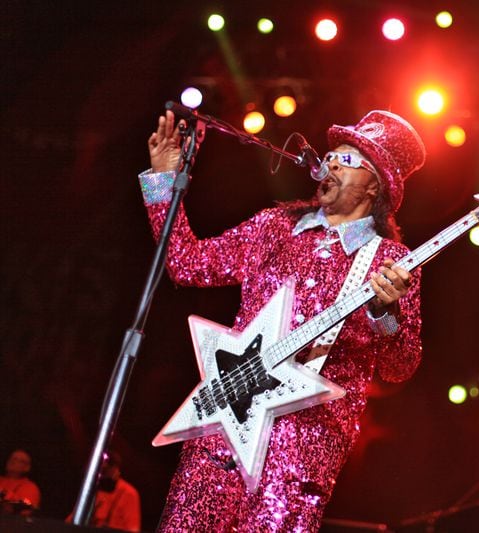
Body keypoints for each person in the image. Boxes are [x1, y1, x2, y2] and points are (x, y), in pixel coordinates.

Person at [139, 108, 425, 531]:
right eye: (330, 156)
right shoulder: (275, 228)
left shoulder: (388, 261)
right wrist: (164, 184)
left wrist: (384, 312)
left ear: (375, 183)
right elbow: (186, 263)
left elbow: (400, 366)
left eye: (345, 159)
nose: (329, 164)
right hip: (226, 419)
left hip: (303, 442)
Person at [0, 449, 40, 516]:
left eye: (19, 461)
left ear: (27, 468)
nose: (12, 461)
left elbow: (25, 511)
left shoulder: (30, 487)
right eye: (12, 458)